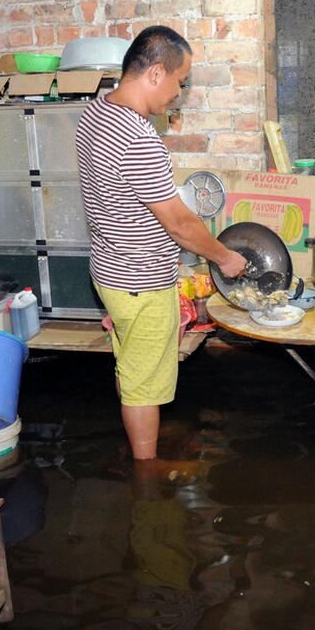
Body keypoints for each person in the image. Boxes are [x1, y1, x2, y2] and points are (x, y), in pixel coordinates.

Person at [75, 26, 247, 460]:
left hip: (109, 271)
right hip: (140, 279)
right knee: (145, 385)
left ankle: (135, 441)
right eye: (179, 81)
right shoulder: (137, 136)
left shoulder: (94, 114)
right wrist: (225, 257)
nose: (178, 93)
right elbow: (178, 223)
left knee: (132, 366)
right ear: (155, 73)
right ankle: (146, 473)